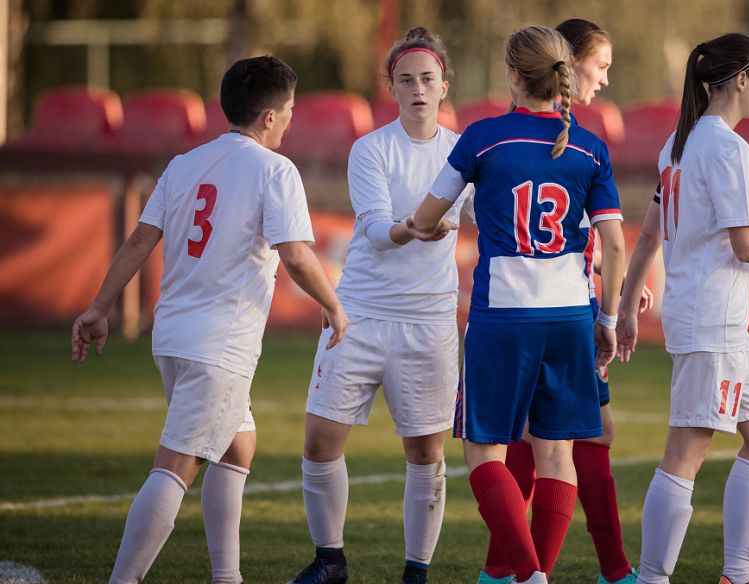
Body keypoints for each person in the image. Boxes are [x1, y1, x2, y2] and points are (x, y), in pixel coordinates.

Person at [70, 56, 348, 584]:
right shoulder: (274, 169)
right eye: (288, 110)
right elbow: (295, 255)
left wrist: (99, 307)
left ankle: (227, 576)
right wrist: (334, 305)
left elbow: (138, 241)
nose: (290, 120)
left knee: (238, 443)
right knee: (175, 466)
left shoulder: (185, 163)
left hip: (172, 336)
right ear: (268, 117)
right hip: (219, 346)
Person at [408, 24, 626, 584]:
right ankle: (537, 573)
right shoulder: (590, 145)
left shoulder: (484, 137)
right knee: (557, 456)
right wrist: (607, 318)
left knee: (486, 454)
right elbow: (616, 243)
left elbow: (428, 216)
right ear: (564, 77)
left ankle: (528, 576)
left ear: (512, 75)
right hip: (571, 314)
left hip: (503, 315)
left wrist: (417, 226)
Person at [615, 33, 749, 584]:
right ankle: (653, 579)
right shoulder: (728, 147)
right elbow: (746, 244)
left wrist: (629, 304)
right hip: (714, 321)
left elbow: (649, 235)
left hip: (714, 321)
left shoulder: (677, 144)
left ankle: (739, 574)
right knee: (686, 451)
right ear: (739, 80)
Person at [287, 27, 471, 584]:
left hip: (429, 321)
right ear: (390, 86)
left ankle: (416, 572)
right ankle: (330, 561)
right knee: (320, 441)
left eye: (427, 79)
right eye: (406, 79)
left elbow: (500, 217)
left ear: (444, 85)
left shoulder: (463, 149)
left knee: (425, 451)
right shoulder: (371, 148)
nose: (418, 88)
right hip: (360, 313)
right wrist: (413, 229)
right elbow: (371, 229)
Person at [483, 18, 647, 584]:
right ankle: (584, 570)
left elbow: (564, 231)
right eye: (599, 66)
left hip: (551, 303)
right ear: (568, 64)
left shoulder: (564, 135)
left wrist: (609, 273)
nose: (604, 79)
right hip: (561, 311)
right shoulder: (570, 139)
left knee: (548, 440)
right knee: (557, 440)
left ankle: (513, 570)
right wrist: (608, 290)